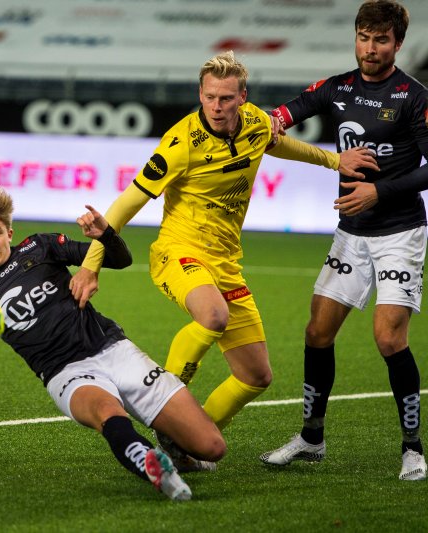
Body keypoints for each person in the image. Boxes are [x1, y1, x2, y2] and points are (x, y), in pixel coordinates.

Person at [68, 50, 379, 452]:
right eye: (211, 96)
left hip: (225, 263)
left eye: (227, 98)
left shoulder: (254, 123)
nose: (217, 106)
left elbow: (279, 144)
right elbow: (126, 204)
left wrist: (334, 160)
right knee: (213, 314)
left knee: (256, 376)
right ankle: (164, 405)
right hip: (178, 252)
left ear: (242, 97)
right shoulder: (179, 144)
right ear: (200, 93)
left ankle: (185, 443)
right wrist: (92, 266)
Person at [0, 187, 226, 501]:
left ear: (10, 233)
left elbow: (119, 259)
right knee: (106, 411)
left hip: (113, 348)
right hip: (67, 375)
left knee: (212, 448)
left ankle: (171, 446)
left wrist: (105, 234)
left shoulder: (41, 247)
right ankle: (150, 464)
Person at [260, 0, 428, 481]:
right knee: (317, 332)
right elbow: (289, 111)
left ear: (397, 44)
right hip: (351, 233)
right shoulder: (337, 89)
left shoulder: (413, 97)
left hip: (400, 232)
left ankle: (413, 448)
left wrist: (379, 190)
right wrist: (272, 121)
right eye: (363, 37)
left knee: (388, 337)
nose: (369, 48)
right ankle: (312, 439)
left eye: (380, 40)